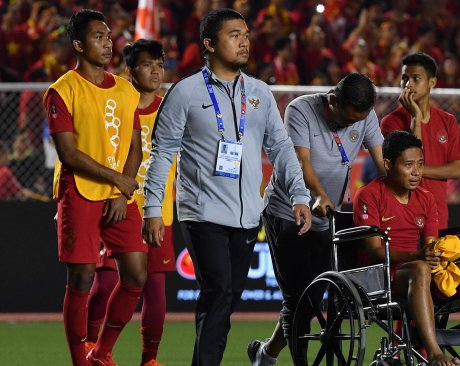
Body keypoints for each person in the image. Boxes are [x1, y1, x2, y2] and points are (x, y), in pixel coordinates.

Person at [141, 8, 312, 366]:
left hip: (249, 215)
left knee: (226, 299)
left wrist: (299, 194)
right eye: (234, 34)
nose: (244, 41)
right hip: (201, 212)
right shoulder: (185, 93)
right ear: (209, 44)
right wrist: (153, 208)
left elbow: (280, 147)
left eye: (246, 34)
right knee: (219, 291)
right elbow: (161, 155)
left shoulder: (260, 93)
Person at [247, 73, 385, 365]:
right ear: (332, 101)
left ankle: (266, 353)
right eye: (347, 119)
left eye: (357, 121)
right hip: (288, 211)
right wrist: (319, 195)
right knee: (298, 299)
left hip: (328, 218)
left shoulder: (364, 113)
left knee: (313, 299)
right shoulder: (301, 109)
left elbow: (382, 160)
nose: (353, 125)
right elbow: (301, 160)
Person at [354, 131, 460, 366]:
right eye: (408, 165)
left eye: (420, 164)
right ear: (387, 164)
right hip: (383, 274)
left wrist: (435, 254)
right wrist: (419, 257)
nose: (417, 172)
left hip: (419, 271)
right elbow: (374, 251)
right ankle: (434, 353)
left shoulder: (426, 198)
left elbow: (430, 244)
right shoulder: (368, 195)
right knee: (420, 268)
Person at [43, 9, 149, 365]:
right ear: (78, 44)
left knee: (136, 274)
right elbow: (68, 153)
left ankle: (101, 353)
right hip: (79, 190)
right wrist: (117, 179)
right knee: (82, 277)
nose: (108, 42)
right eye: (98, 37)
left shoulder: (125, 89)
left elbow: (135, 147)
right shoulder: (62, 91)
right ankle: (78, 360)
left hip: (118, 194)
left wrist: (121, 191)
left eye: (108, 35)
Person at [85, 39, 174, 366]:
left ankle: (149, 360)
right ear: (129, 70)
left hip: (158, 214)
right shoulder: (115, 106)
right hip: (118, 208)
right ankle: (92, 347)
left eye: (160, 64)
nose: (156, 70)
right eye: (148, 64)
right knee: (106, 283)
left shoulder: (171, 110)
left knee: (156, 294)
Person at [380, 52, 460, 231]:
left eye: (416, 78)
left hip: (437, 214)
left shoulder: (447, 121)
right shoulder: (391, 122)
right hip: (403, 214)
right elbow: (405, 168)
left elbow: (456, 168)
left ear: (432, 82)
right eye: (404, 78)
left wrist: (419, 170)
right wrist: (416, 119)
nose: (408, 84)